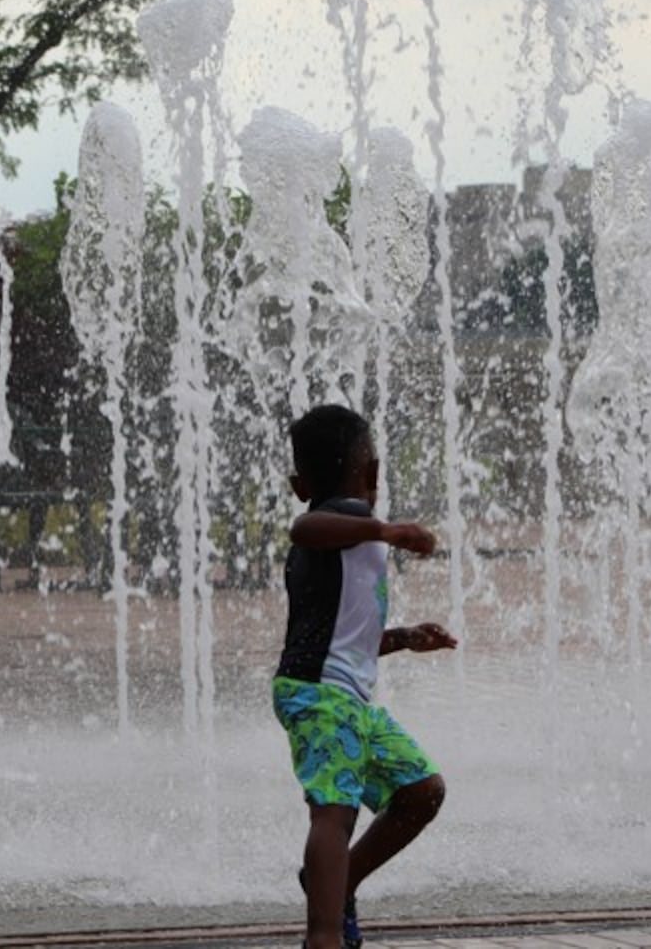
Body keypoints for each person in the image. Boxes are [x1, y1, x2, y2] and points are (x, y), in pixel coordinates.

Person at [274, 404, 457, 949]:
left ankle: (337, 882)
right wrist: (387, 528)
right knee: (335, 811)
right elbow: (302, 526)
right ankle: (323, 936)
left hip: (347, 699)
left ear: (298, 478)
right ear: (374, 472)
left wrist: (401, 638)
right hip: (317, 695)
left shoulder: (357, 535)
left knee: (421, 791)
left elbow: (348, 636)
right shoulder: (337, 526)